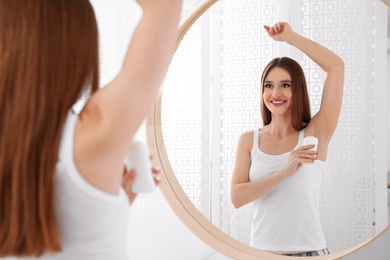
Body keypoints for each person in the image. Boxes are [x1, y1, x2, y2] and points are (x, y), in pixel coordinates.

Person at [0, 0, 182, 259]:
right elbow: (165, 5)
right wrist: (98, 207)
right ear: (77, 50)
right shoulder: (94, 130)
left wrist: (105, 207)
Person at [230, 22, 344, 257]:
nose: (275, 94)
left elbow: (336, 68)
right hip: (261, 253)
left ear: (298, 90)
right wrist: (284, 172)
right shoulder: (249, 140)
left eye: (285, 85)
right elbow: (237, 198)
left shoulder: (313, 135)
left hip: (309, 251)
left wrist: (290, 37)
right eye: (268, 86)